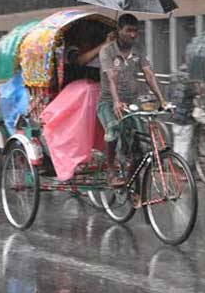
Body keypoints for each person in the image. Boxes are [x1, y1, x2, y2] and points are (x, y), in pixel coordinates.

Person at [96, 14, 166, 187]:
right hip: (108, 102)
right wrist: (116, 101)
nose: (133, 35)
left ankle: (130, 182)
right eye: (128, 30)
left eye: (135, 31)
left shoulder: (138, 49)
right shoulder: (107, 51)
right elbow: (111, 77)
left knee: (140, 145)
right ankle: (111, 171)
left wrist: (162, 100)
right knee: (112, 130)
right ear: (119, 31)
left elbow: (149, 74)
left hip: (132, 102)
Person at [40, 23, 114, 181]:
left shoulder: (104, 51)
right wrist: (103, 46)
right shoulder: (70, 49)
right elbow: (80, 61)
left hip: (97, 92)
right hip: (75, 93)